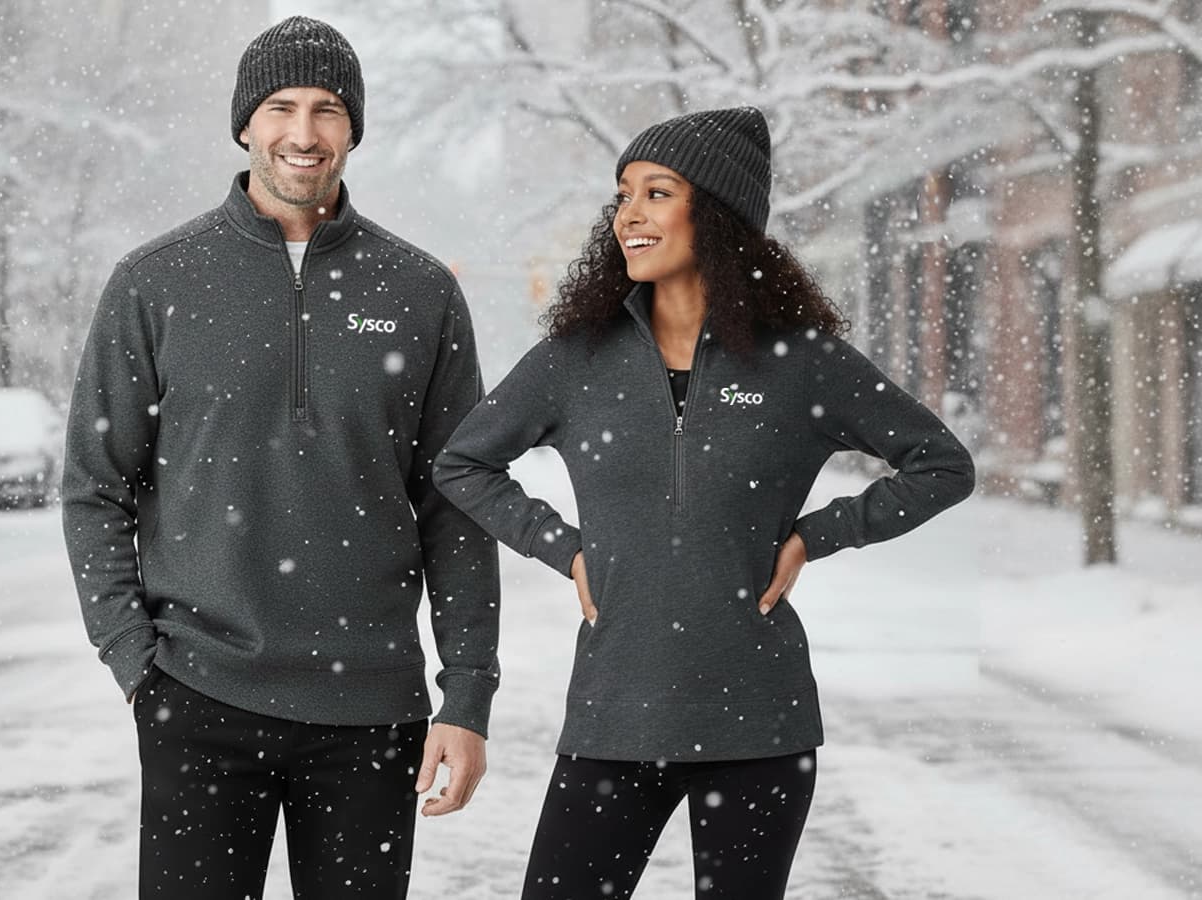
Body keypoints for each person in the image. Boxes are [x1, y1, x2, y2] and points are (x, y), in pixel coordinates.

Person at [433, 106, 975, 899]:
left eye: (657, 193)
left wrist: (816, 537)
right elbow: (464, 463)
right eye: (623, 195)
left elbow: (941, 464)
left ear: (715, 217)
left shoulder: (801, 361)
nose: (630, 215)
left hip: (758, 721)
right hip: (615, 714)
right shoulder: (577, 358)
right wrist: (566, 548)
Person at [60, 16, 501, 899]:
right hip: (197, 696)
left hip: (373, 709)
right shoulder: (157, 282)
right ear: (244, 124)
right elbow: (94, 489)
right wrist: (135, 665)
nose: (304, 134)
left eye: (328, 109)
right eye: (280, 107)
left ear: (353, 126)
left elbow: (457, 504)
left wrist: (468, 696)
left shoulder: (419, 291)